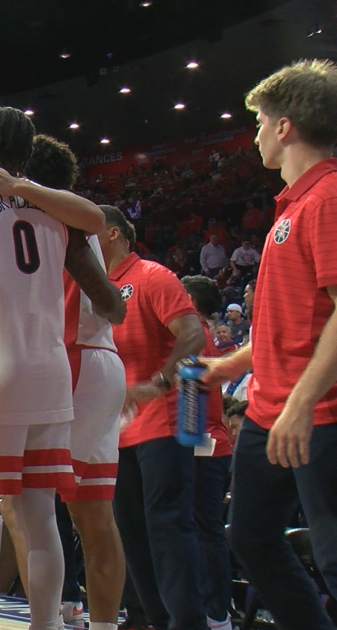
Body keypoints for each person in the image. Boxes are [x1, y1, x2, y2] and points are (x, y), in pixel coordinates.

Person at [0, 108, 123, 630]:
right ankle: (45, 625)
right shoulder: (56, 211)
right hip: (52, 375)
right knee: (39, 513)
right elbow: (109, 289)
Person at [201, 59, 337, 630]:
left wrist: (303, 403)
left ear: (285, 127)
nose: (254, 133)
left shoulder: (328, 197)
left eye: (258, 121)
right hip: (267, 410)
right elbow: (295, 321)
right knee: (252, 537)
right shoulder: (293, 206)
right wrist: (232, 361)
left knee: (334, 558)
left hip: (317, 411)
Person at [0, 136, 129, 630]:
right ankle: (99, 625)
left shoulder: (45, 215)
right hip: (99, 358)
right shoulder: (78, 217)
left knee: (22, 502)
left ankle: (46, 619)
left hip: (65, 359)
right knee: (93, 515)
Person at [97, 206, 208, 630]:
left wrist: (160, 382)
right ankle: (150, 619)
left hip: (163, 420)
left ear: (111, 234)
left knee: (167, 525)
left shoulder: (151, 275)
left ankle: (189, 621)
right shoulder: (96, 288)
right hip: (116, 429)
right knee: (129, 530)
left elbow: (193, 333)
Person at [179, 275, 236, 630]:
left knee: (205, 530)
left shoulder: (194, 335)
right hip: (205, 443)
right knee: (201, 529)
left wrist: (183, 444)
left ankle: (216, 612)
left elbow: (191, 401)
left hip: (204, 445)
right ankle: (212, 609)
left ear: (187, 299)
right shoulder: (198, 333)